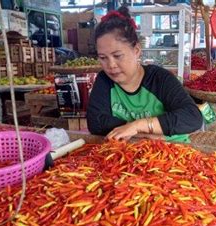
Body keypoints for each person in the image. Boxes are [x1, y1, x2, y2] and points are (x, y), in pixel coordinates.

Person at [87, 6, 202, 143]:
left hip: (170, 152)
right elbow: (95, 122)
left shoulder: (159, 79)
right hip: (127, 153)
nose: (111, 65)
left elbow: (192, 117)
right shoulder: (104, 80)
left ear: (136, 50)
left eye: (117, 56)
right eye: (103, 58)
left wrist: (137, 126)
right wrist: (142, 134)